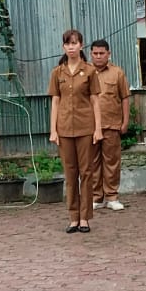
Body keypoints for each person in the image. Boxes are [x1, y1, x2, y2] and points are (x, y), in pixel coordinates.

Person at [48, 29, 103, 233]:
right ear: (63, 47)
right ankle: (73, 216)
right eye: (67, 44)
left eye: (75, 43)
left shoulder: (89, 71)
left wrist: (98, 128)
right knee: (70, 174)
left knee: (86, 173)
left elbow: (95, 100)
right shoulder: (57, 72)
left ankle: (85, 218)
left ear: (81, 45)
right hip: (64, 128)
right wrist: (53, 130)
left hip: (85, 128)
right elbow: (55, 101)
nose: (71, 47)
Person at [89, 39, 131, 212]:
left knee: (112, 161)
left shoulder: (117, 73)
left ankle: (112, 196)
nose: (98, 57)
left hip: (112, 123)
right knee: (92, 162)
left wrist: (125, 121)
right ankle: (95, 197)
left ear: (109, 54)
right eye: (95, 53)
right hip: (89, 126)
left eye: (102, 53)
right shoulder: (85, 72)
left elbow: (125, 98)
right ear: (91, 54)